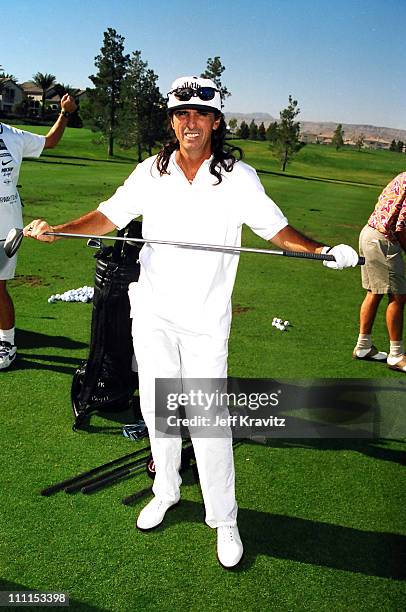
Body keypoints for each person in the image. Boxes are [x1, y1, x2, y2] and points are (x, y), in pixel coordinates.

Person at [22, 75, 359, 568]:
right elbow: (109, 215)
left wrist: (322, 250)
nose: (190, 122)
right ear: (172, 120)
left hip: (204, 321)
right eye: (182, 113)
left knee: (208, 424)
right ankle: (167, 490)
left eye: (201, 113)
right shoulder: (150, 172)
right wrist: (59, 230)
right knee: (158, 411)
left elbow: (276, 229)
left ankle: (224, 519)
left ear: (216, 121)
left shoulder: (237, 178)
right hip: (153, 313)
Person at [0, 94, 78, 370]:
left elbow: (50, 141)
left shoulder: (14, 136)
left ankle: (7, 344)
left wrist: (65, 113)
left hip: (5, 227)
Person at [353, 172, 406, 372]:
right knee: (398, 297)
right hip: (383, 241)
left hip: (369, 233)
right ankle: (396, 355)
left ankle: (363, 347)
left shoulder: (403, 176)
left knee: (374, 292)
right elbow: (401, 228)